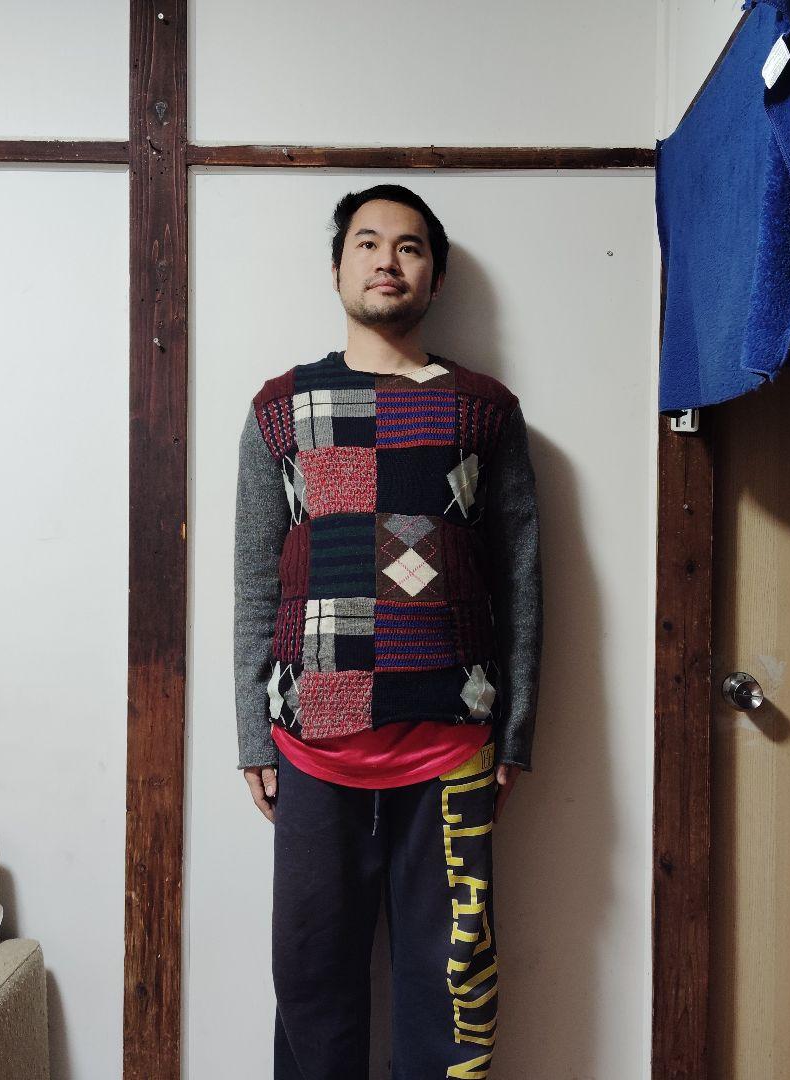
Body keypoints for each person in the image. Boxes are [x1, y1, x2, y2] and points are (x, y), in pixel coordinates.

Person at [233, 183, 543, 1079]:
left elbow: (521, 579)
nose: (386, 261)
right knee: (311, 984)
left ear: (435, 277)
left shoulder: (484, 408)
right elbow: (255, 581)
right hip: (312, 745)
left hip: (451, 743)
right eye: (366, 243)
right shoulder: (282, 407)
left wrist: (515, 735)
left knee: (451, 990)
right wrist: (254, 732)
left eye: (409, 247)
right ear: (336, 269)